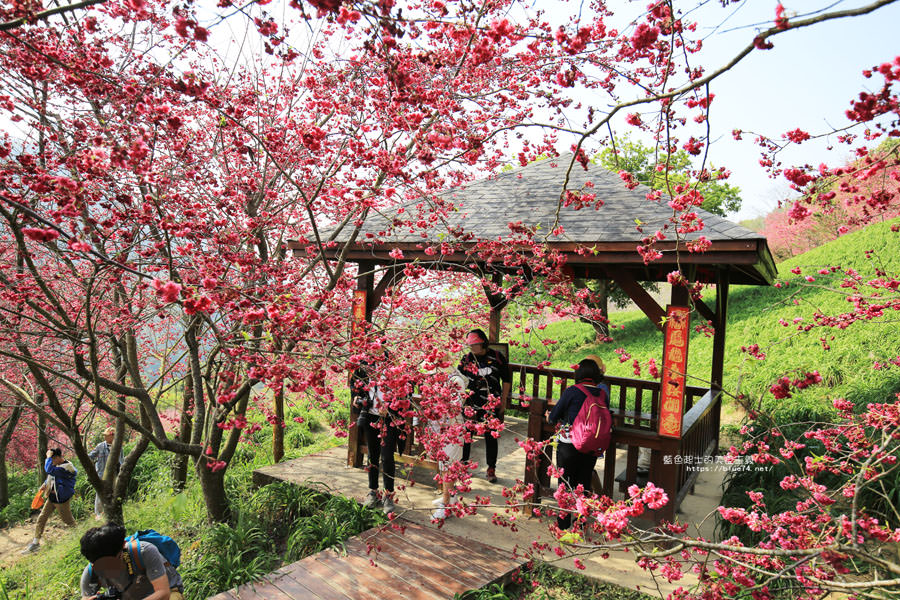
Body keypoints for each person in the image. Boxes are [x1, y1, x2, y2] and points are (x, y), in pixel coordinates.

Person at [548, 357, 610, 530]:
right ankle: (580, 525)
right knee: (583, 484)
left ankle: (563, 525)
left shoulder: (572, 391)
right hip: (591, 446)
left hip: (570, 445)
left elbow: (554, 416)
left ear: (579, 373)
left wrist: (549, 417)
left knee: (565, 484)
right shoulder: (602, 394)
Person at [352, 354, 406, 515]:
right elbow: (355, 387)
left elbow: (405, 391)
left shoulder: (394, 368)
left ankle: (388, 494)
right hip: (371, 416)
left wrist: (390, 407)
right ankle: (373, 491)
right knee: (372, 455)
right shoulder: (364, 367)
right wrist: (357, 399)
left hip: (389, 418)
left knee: (387, 456)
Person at [457, 328, 511, 483]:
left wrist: (503, 401)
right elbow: (459, 379)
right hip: (471, 403)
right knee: (467, 435)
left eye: (475, 345)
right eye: (470, 345)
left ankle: (491, 468)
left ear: (483, 343)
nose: (472, 348)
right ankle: (463, 465)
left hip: (491, 402)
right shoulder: (466, 359)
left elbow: (506, 380)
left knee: (491, 436)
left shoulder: (497, 357)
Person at [80, 522, 184, 600]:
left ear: (123, 546)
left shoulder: (144, 552)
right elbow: (85, 597)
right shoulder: (91, 574)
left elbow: (163, 592)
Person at [22, 448, 78, 553]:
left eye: (52, 460)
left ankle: (79, 537)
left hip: (61, 499)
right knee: (41, 518)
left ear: (56, 458)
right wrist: (44, 484)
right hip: (52, 498)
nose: (51, 462)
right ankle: (35, 543)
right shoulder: (57, 466)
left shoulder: (67, 468)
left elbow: (50, 470)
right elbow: (51, 475)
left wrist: (48, 458)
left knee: (68, 521)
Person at [430, 371, 467, 520]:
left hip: (453, 429)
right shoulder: (437, 380)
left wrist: (438, 400)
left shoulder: (456, 381)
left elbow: (454, 408)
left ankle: (445, 505)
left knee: (448, 467)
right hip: (440, 428)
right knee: (444, 466)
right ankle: (450, 497)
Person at [89, 427, 124, 520]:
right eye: (104, 435)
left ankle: (109, 512)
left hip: (114, 474)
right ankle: (98, 514)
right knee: (99, 494)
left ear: (112, 436)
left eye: (106, 435)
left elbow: (121, 460)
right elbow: (90, 456)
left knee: (113, 493)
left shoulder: (118, 446)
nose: (105, 437)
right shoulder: (100, 446)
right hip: (101, 473)